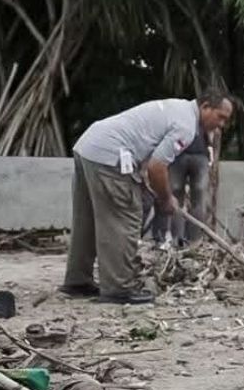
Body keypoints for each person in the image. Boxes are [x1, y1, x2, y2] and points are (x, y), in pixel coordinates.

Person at [62, 91, 233, 304]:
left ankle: (78, 281)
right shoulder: (186, 126)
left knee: (86, 219)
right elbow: (157, 167)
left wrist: (145, 185)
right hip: (111, 155)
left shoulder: (177, 107)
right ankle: (118, 288)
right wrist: (166, 198)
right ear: (206, 106)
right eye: (220, 116)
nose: (222, 124)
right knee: (124, 217)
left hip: (89, 146)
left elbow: (146, 151)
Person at [149, 129, 211, 247]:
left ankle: (177, 240)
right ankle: (193, 241)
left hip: (180, 153)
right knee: (198, 200)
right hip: (198, 152)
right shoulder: (198, 114)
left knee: (175, 199)